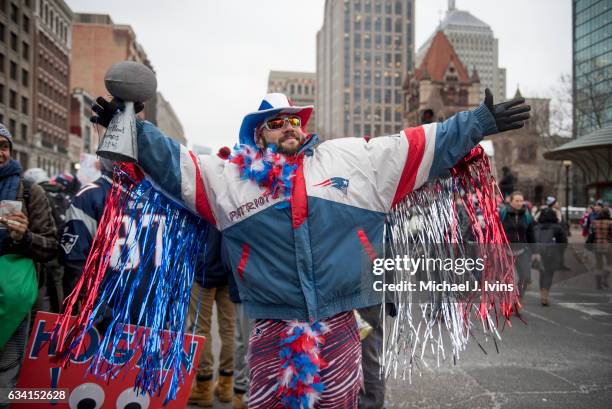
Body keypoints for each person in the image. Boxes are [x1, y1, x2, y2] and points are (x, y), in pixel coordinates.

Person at [91, 88, 530, 408]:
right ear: (258, 134)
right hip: (270, 323)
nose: (290, 127)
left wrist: (478, 122)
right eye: (277, 122)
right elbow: (172, 161)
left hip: (340, 320)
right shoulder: (229, 179)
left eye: (295, 121)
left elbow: (416, 145)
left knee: (340, 404)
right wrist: (130, 125)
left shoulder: (350, 160)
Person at [0, 124, 57, 408]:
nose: (0, 152)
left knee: (6, 377)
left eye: (4, 146)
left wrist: (24, 238)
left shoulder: (28, 192)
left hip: (12, 302)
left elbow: (50, 247)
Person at [187, 226, 236, 407]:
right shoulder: (229, 197)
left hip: (203, 272)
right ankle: (226, 384)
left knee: (201, 329)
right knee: (229, 328)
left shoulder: (199, 198)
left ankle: (204, 386)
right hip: (226, 271)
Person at [23, 168, 71, 313]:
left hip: (46, 245)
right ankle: (60, 313)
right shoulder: (62, 194)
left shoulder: (37, 193)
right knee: (58, 282)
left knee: (42, 286)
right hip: (64, 244)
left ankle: (48, 318)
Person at [500, 191, 535, 302]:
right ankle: (507, 300)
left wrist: (535, 252)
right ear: (510, 201)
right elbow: (495, 231)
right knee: (506, 279)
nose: (520, 203)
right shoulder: (502, 214)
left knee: (524, 276)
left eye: (521, 201)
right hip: (505, 251)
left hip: (522, 250)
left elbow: (531, 234)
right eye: (517, 201)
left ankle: (519, 299)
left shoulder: (527, 216)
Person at [534, 207, 567, 305]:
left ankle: (542, 293)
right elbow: (563, 242)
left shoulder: (536, 227)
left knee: (542, 273)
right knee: (549, 273)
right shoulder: (557, 228)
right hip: (552, 253)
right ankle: (545, 293)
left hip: (539, 252)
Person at [590, 207, 612, 290]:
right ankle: (605, 277)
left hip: (597, 245)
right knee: (610, 263)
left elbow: (591, 233)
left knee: (598, 264)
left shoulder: (594, 222)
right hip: (608, 246)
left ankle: (598, 285)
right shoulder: (610, 222)